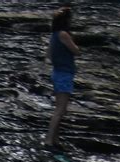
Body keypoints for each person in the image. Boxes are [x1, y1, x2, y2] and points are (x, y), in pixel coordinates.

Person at [44, 7, 80, 151]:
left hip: (58, 72)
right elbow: (76, 51)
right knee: (60, 110)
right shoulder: (64, 34)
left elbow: (48, 55)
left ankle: (55, 139)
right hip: (64, 74)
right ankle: (49, 141)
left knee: (61, 109)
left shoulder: (54, 35)